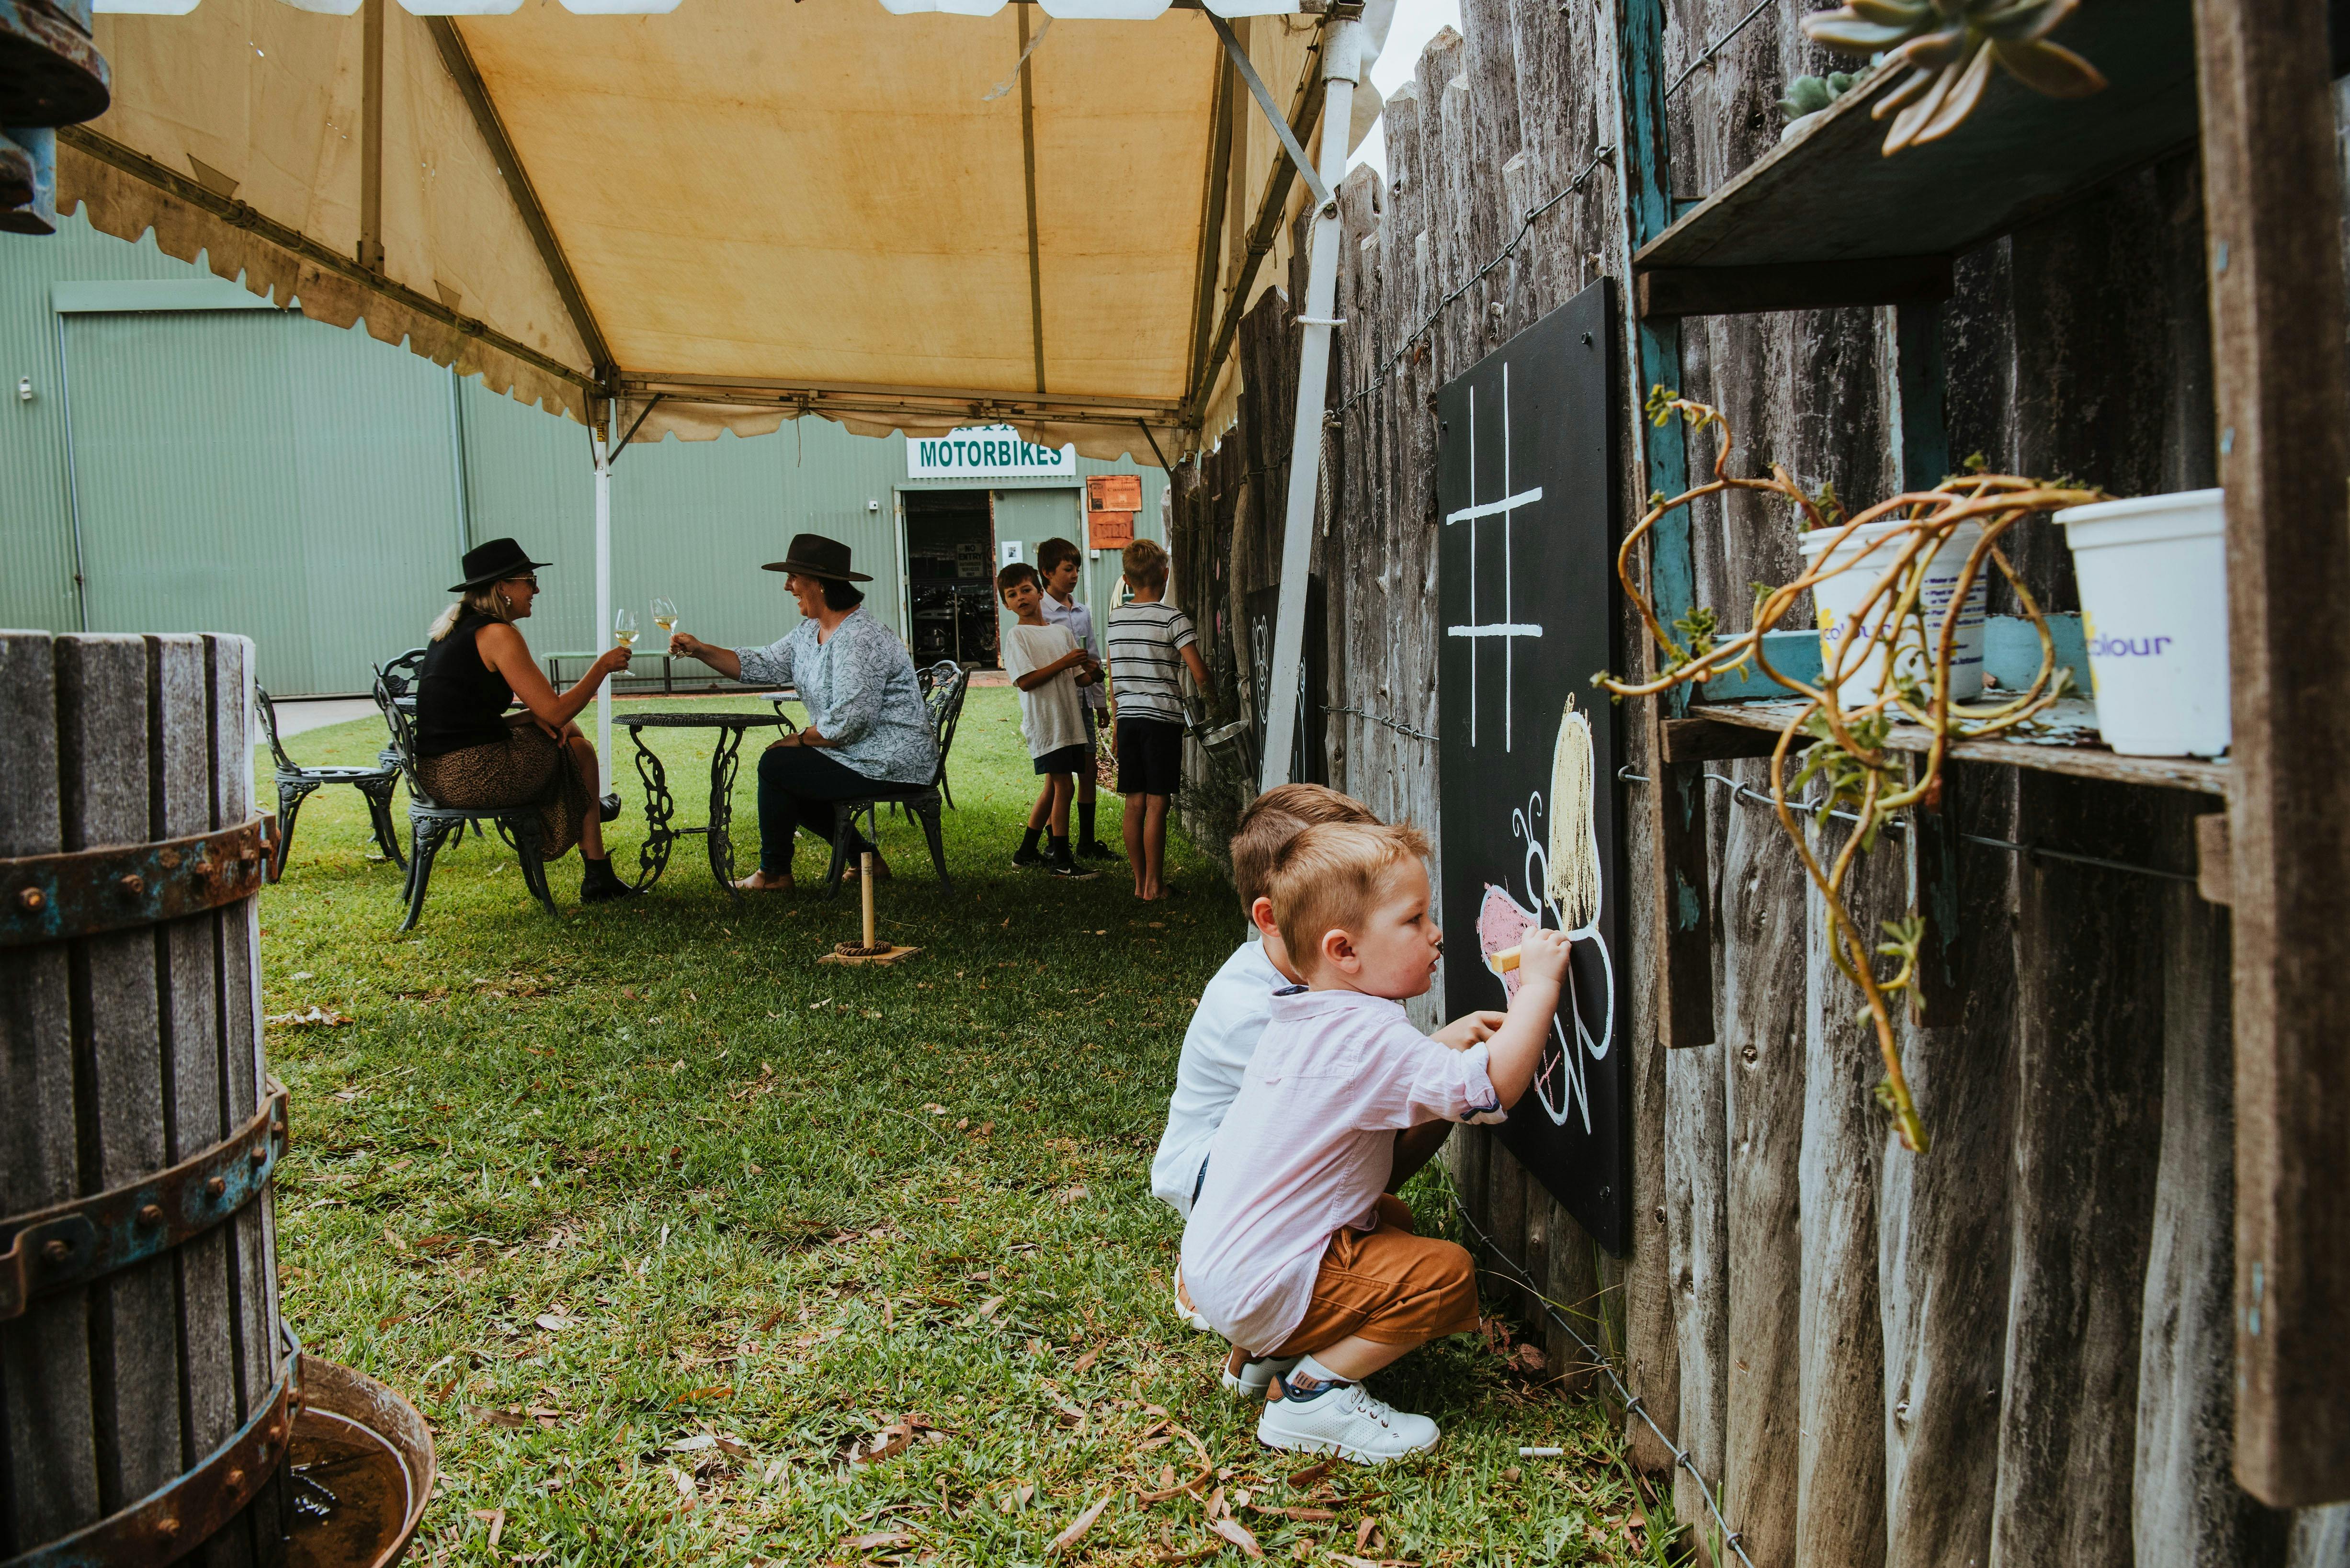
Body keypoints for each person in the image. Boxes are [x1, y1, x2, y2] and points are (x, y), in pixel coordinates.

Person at [1181, 822, 1571, 1462]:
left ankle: (1262, 1361)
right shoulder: (1368, 1038)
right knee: (1442, 1275)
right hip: (1260, 1282)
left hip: (1218, 1267)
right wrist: (1539, 987)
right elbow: (1490, 1090)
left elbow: (1360, 1084)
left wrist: (1436, 1045)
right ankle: (1309, 1395)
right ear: (1344, 950)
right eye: (1413, 919)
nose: (1436, 932)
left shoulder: (1301, 1014)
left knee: (1386, 1219)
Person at [1151, 785, 1503, 1338]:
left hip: (1260, 1168)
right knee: (1422, 1135)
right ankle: (1251, 1309)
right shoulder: (1254, 1010)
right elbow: (1353, 1126)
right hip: (1214, 1180)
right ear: (1272, 916)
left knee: (1393, 1221)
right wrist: (1445, 1069)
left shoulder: (1318, 985)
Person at [666, 533, 938, 891]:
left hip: (893, 760)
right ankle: (861, 859)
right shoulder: (810, 631)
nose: (787, 586)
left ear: (821, 584)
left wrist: (800, 739)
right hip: (855, 754)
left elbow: (851, 719)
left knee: (779, 766)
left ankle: (775, 874)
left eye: (794, 577)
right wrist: (700, 649)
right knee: (786, 770)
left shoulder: (860, 637)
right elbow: (760, 664)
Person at [411, 537, 636, 903]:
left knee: (567, 733)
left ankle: (592, 817)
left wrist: (528, 717)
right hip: (472, 776)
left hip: (438, 772)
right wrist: (602, 667)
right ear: (502, 587)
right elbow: (558, 711)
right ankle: (592, 832)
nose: (536, 589)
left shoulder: (456, 629)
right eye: (529, 580)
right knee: (577, 747)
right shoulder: (497, 634)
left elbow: (463, 719)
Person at [1105, 538, 1209, 901]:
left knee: (1134, 803)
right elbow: (1199, 673)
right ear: (1165, 575)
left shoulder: (1115, 619)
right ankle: (1155, 885)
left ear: (1126, 579)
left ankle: (1138, 883)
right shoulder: (1172, 617)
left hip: (1130, 719)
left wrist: (1118, 726)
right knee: (1157, 803)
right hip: (1160, 720)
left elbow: (1115, 678)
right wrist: (1212, 701)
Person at [998, 562, 1098, 878]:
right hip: (1045, 723)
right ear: (1005, 603)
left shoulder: (1061, 632)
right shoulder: (1017, 636)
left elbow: (1078, 678)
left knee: (1054, 789)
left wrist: (1091, 672)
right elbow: (1026, 681)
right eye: (1012, 594)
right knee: (1064, 786)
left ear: (1040, 592)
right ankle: (1061, 860)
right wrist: (1064, 661)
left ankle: (1025, 852)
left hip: (1069, 721)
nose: (1020, 598)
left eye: (1026, 590)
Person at [1030, 537, 1118, 862]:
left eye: (1077, 569)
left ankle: (1087, 841)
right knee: (1059, 778)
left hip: (1082, 700)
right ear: (1047, 572)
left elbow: (1092, 658)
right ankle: (1055, 842)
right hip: (1057, 704)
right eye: (1068, 569)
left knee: (1088, 770)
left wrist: (1099, 704)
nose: (1074, 575)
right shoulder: (1039, 613)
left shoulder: (1081, 611)